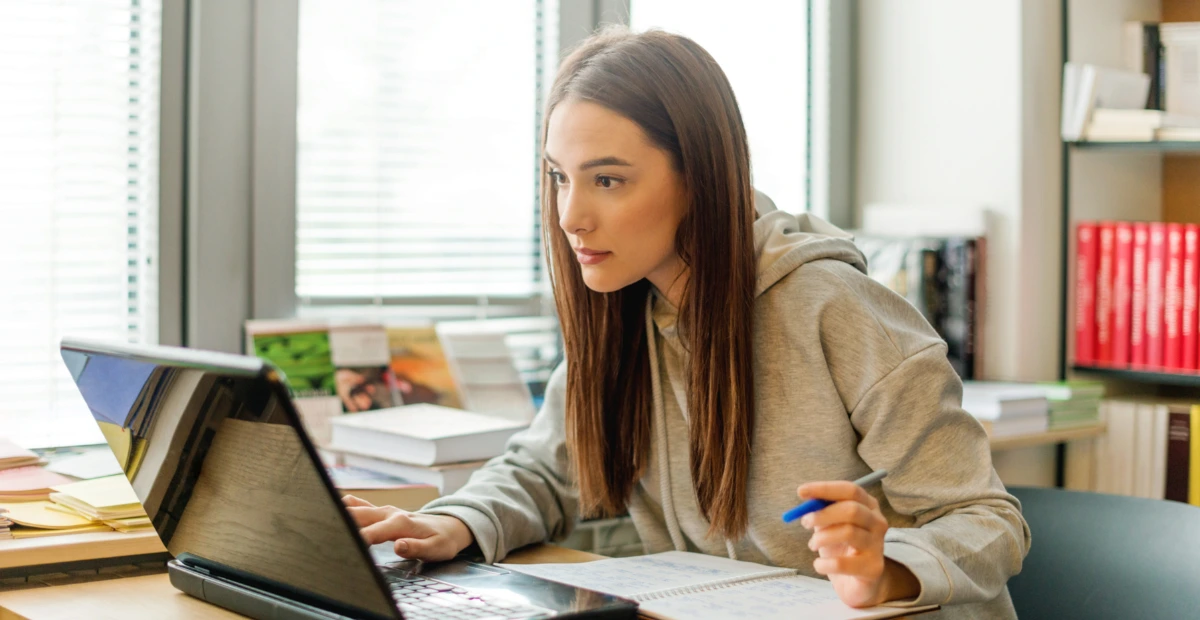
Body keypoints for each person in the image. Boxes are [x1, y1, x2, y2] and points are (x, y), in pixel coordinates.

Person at [342, 26, 1030, 618]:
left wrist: (886, 568)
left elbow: (987, 520)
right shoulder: (626, 307)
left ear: (700, 176)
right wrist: (451, 520)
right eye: (559, 177)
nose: (570, 215)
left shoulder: (834, 308)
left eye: (607, 180)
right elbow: (545, 472)